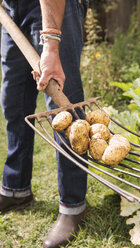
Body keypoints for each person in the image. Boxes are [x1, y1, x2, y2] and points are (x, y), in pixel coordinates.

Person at [0, 0, 89, 247]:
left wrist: (51, 41)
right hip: (11, 9)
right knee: (14, 102)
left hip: (52, 8)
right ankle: (16, 189)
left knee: (63, 110)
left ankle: (73, 206)